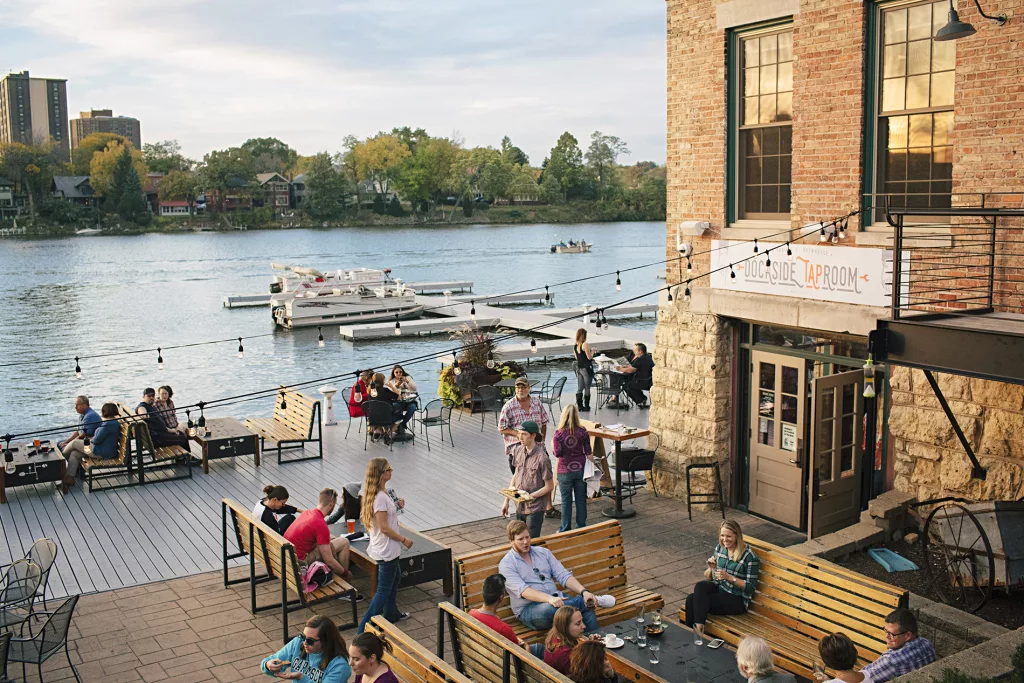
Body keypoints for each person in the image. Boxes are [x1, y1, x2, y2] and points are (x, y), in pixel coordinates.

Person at [498, 519, 612, 633]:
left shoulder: (543, 552)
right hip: (530, 609)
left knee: (586, 609)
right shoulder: (507, 564)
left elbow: (562, 574)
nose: (526, 542)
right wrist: (550, 599)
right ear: (511, 541)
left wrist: (584, 592)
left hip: (557, 600)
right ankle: (588, 601)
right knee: (554, 609)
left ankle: (594, 644)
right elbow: (524, 592)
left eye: (527, 537)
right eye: (520, 539)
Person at [358, 458, 412, 632]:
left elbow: (386, 515)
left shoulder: (382, 492)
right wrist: (403, 539)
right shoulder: (380, 498)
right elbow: (384, 527)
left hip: (384, 546)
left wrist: (397, 505)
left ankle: (391, 613)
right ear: (381, 474)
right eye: (388, 469)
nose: (391, 471)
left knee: (395, 577)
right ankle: (364, 627)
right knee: (383, 590)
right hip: (387, 548)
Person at [684, 519, 759, 641]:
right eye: (722, 535)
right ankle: (694, 633)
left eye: (728, 536)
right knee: (698, 589)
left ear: (737, 535)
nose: (725, 539)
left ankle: (695, 636)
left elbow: (751, 587)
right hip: (721, 589)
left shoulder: (749, 557)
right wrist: (712, 568)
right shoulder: (720, 548)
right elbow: (714, 578)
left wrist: (729, 577)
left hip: (737, 599)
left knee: (693, 600)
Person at [497, 377, 555, 518]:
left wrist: (542, 440)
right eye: (518, 388)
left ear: (529, 388)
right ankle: (521, 508)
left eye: (523, 387)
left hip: (538, 447)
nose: (520, 390)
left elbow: (544, 422)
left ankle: (548, 507)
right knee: (521, 479)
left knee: (545, 478)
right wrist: (517, 433)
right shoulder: (509, 406)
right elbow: (502, 428)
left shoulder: (536, 402)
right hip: (518, 449)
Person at [284, 488, 355, 585]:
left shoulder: (307, 513)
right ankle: (344, 581)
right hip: (300, 563)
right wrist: (346, 573)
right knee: (344, 542)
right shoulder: (320, 523)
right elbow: (328, 560)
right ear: (332, 503)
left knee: (331, 538)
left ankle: (338, 571)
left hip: (289, 557)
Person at [501, 421, 554, 538]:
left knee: (532, 541)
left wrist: (530, 497)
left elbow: (549, 486)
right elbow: (515, 475)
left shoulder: (542, 458)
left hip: (535, 508)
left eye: (524, 434)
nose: (520, 437)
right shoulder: (518, 451)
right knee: (519, 540)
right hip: (519, 505)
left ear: (533, 435)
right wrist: (506, 501)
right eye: (519, 433)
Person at [261, 614, 352, 683]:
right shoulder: (298, 642)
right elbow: (267, 662)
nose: (304, 643)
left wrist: (301, 677)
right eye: (303, 636)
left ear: (325, 641)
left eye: (310, 640)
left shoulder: (340, 665)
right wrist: (268, 665)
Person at [860, 609, 935, 682]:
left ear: (907, 635)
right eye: (885, 630)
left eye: (892, 634)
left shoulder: (892, 660)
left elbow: (860, 679)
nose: (887, 636)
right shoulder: (926, 643)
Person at [59, 402, 119, 492]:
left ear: (104, 412)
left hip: (99, 452)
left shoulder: (108, 425)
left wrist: (87, 440)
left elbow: (96, 440)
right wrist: (89, 439)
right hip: (99, 449)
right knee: (75, 453)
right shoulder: (111, 422)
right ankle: (69, 478)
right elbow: (97, 438)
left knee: (75, 443)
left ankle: (61, 458)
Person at [469, 574, 535, 653]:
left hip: (481, 656)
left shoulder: (470, 614)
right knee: (540, 649)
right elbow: (521, 660)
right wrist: (527, 647)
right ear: (501, 597)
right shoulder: (503, 629)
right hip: (507, 663)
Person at [553, 404, 592, 533]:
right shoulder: (583, 431)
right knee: (581, 499)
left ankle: (565, 528)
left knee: (566, 500)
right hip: (580, 468)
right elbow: (588, 451)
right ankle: (581, 526)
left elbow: (558, 453)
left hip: (564, 470)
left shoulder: (558, 434)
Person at [543, 605, 590, 674]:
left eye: (582, 621)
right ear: (565, 627)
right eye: (578, 623)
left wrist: (590, 643)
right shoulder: (567, 655)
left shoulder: (554, 636)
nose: (584, 626)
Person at [58, 395, 101, 460]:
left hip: (91, 445)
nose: (75, 407)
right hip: (84, 442)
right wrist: (66, 442)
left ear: (85, 405)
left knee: (66, 450)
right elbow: (78, 432)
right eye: (75, 405)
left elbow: (82, 436)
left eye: (78, 405)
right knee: (60, 443)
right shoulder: (82, 415)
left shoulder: (89, 416)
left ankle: (61, 460)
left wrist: (68, 444)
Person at [614, 343, 654, 408]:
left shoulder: (640, 359)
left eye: (635, 350)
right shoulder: (647, 357)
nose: (634, 352)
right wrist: (627, 367)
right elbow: (635, 367)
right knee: (629, 383)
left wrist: (620, 369)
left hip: (643, 381)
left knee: (626, 385)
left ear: (640, 351)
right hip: (649, 380)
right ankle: (642, 398)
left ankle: (641, 400)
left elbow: (631, 370)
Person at [384, 365, 417, 433]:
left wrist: (407, 381)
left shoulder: (407, 378)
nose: (399, 374)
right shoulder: (392, 381)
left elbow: (414, 389)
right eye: (397, 372)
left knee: (413, 407)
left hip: (408, 400)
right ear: (393, 373)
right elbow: (390, 391)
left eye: (400, 372)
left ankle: (402, 423)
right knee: (396, 407)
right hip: (397, 401)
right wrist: (397, 384)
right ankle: (397, 424)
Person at [573, 329, 595, 412]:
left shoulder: (575, 345)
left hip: (579, 368)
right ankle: (586, 407)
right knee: (587, 388)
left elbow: (576, 357)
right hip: (586, 369)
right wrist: (593, 351)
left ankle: (579, 406)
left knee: (580, 388)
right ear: (584, 336)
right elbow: (589, 357)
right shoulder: (585, 344)